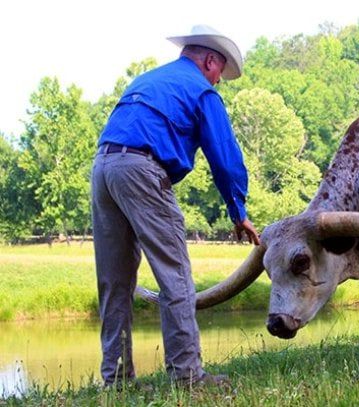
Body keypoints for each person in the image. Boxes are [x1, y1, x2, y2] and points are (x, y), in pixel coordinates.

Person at [91, 24, 260, 387]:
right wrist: (238, 211)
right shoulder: (201, 90)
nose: (218, 82)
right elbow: (225, 158)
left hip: (103, 167)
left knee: (114, 281)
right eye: (219, 74)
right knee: (175, 276)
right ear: (210, 60)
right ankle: (187, 376)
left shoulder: (148, 79)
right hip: (141, 168)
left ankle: (116, 380)